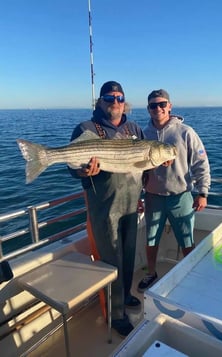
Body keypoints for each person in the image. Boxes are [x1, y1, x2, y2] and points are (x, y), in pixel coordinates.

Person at [69, 81, 144, 337]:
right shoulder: (87, 128)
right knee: (110, 260)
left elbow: (141, 165)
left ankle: (124, 297)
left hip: (131, 204)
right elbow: (73, 166)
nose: (115, 102)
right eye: (110, 97)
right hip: (104, 208)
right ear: (100, 101)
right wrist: (82, 170)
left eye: (120, 97)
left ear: (125, 101)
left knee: (129, 255)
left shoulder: (134, 128)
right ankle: (115, 314)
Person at [137, 89, 211, 293]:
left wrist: (202, 192)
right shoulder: (143, 135)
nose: (158, 108)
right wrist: (137, 196)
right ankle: (151, 273)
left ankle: (191, 274)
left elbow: (201, 163)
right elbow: (137, 171)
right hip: (152, 197)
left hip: (181, 197)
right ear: (148, 109)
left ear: (170, 106)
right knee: (151, 239)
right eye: (153, 105)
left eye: (162, 104)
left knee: (187, 239)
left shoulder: (186, 132)